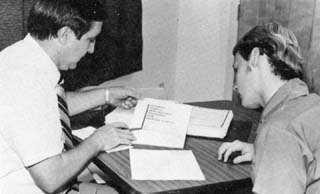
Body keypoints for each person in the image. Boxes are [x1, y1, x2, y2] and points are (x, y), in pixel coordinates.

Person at [0, 0, 139, 193]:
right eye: (90, 40)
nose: (91, 49)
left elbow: (50, 106)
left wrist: (106, 95)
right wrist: (98, 140)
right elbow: (51, 179)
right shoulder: (28, 84)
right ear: (65, 34)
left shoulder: (20, 57)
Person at [218, 22, 320, 194]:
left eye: (237, 70)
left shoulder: (278, 131)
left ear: (255, 57)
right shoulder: (312, 105)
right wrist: (260, 151)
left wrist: (272, 147)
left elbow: (284, 136)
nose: (235, 85)